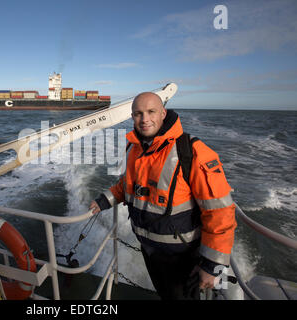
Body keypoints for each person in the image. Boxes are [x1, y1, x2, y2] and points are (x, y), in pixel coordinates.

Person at [89, 92, 237, 300]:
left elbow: (219, 210)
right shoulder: (134, 148)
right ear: (132, 116)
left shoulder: (192, 151)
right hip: (149, 249)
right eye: (138, 114)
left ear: (163, 113)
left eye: (151, 112)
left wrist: (212, 264)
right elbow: (128, 185)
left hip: (183, 256)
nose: (145, 119)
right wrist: (105, 199)